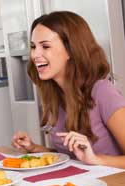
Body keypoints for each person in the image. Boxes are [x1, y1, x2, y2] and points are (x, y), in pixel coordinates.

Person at [11, 11, 125, 168]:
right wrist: (34, 148)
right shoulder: (55, 95)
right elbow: (72, 157)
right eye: (33, 47)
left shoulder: (103, 92)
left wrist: (97, 159)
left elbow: (89, 159)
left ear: (71, 50)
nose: (35, 54)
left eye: (45, 46)